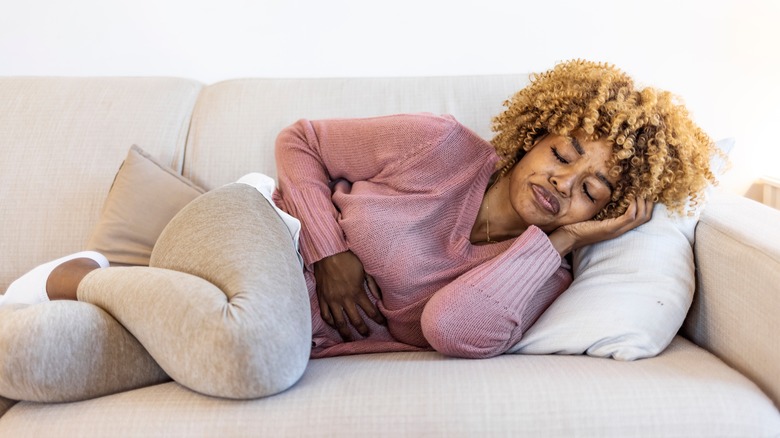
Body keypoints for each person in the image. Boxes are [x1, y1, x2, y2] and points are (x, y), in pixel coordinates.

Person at [0, 60, 718, 401]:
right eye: (563, 154)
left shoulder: (535, 274)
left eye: (592, 189)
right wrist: (330, 249)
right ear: (532, 135)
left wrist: (559, 247)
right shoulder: (439, 145)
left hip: (233, 324)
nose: (563, 185)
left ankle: (69, 290)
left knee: (38, 364)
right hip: (252, 232)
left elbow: (451, 329)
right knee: (263, 361)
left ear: (603, 213)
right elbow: (301, 140)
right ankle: (92, 274)